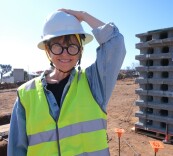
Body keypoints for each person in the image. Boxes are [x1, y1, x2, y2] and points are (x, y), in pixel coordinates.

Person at [7, 8, 126, 156]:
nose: (65, 53)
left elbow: (115, 43)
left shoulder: (94, 82)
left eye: (72, 46)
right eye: (57, 46)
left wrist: (83, 15)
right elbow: (16, 150)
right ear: (47, 50)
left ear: (80, 50)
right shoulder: (25, 94)